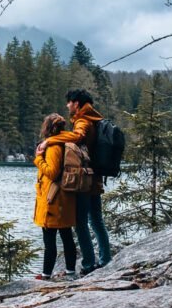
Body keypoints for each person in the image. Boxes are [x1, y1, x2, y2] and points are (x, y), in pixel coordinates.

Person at [36, 89, 112, 275]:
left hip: (85, 179)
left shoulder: (84, 120)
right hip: (94, 176)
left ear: (76, 103)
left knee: (81, 222)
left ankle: (88, 265)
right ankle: (105, 260)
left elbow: (77, 136)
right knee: (96, 220)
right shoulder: (94, 118)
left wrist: (50, 141)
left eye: (69, 102)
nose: (67, 105)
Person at [32, 113, 78, 280]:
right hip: (64, 197)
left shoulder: (53, 147)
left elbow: (52, 172)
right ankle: (71, 271)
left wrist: (38, 159)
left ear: (48, 128)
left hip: (53, 198)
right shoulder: (65, 142)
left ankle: (46, 275)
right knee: (66, 236)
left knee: (49, 239)